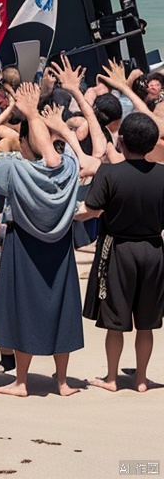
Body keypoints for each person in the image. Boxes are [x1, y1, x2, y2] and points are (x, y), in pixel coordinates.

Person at [0, 82, 83, 398]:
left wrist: (17, 118)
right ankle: (63, 382)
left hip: (23, 246)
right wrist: (59, 129)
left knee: (23, 309)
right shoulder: (69, 168)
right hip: (60, 247)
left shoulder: (10, 169)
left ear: (24, 139)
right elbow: (78, 160)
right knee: (61, 307)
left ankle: (21, 381)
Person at [80, 111, 164, 393]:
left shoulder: (109, 172)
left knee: (115, 320)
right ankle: (141, 379)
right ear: (152, 145)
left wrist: (68, 216)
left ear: (122, 141)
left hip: (118, 249)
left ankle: (112, 379)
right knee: (147, 322)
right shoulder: (163, 174)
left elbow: (91, 209)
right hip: (153, 249)